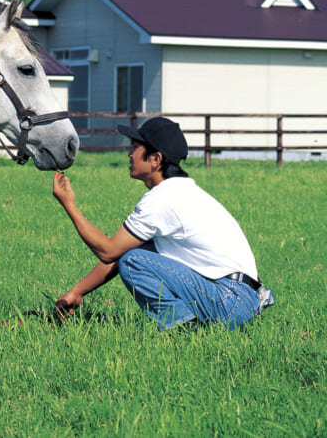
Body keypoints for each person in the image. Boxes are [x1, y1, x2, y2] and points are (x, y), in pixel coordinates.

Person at [50, 116, 274, 331]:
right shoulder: (182, 192)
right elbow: (118, 254)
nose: (129, 154)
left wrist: (70, 205)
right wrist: (76, 293)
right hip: (242, 300)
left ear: (156, 159)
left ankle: (184, 330)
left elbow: (108, 251)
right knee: (134, 255)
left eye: (135, 148)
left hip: (229, 300)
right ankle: (190, 326)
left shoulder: (162, 200)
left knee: (134, 261)